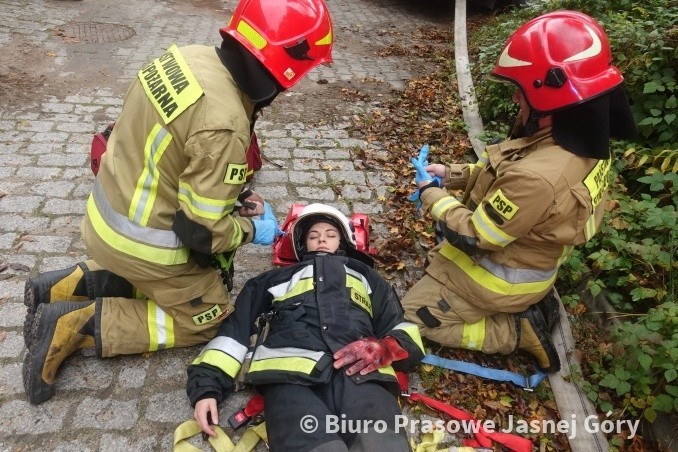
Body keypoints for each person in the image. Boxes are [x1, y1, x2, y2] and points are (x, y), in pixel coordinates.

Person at [22, 0, 334, 405]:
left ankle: (69, 284)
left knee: (175, 281)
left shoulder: (187, 58)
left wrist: (231, 194)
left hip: (105, 218)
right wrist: (250, 229)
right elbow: (199, 232)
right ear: (288, 64)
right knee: (209, 316)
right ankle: (74, 324)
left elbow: (176, 153)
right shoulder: (224, 124)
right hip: (143, 245)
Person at [402, 10, 637, 373]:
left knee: (410, 319)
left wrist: (432, 194)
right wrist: (451, 174)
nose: (516, 102)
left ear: (551, 101)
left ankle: (514, 331)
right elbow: (505, 173)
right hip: (530, 264)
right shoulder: (577, 141)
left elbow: (479, 235)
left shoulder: (538, 176)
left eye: (520, 93)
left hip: (498, 279)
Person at [186, 203, 425, 451]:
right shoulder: (270, 280)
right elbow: (234, 332)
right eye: (313, 236)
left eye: (331, 235)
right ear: (302, 244)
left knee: (383, 445)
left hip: (362, 376)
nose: (322, 239)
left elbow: (402, 329)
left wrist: (387, 348)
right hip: (289, 379)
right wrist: (206, 388)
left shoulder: (367, 277)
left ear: (342, 243)